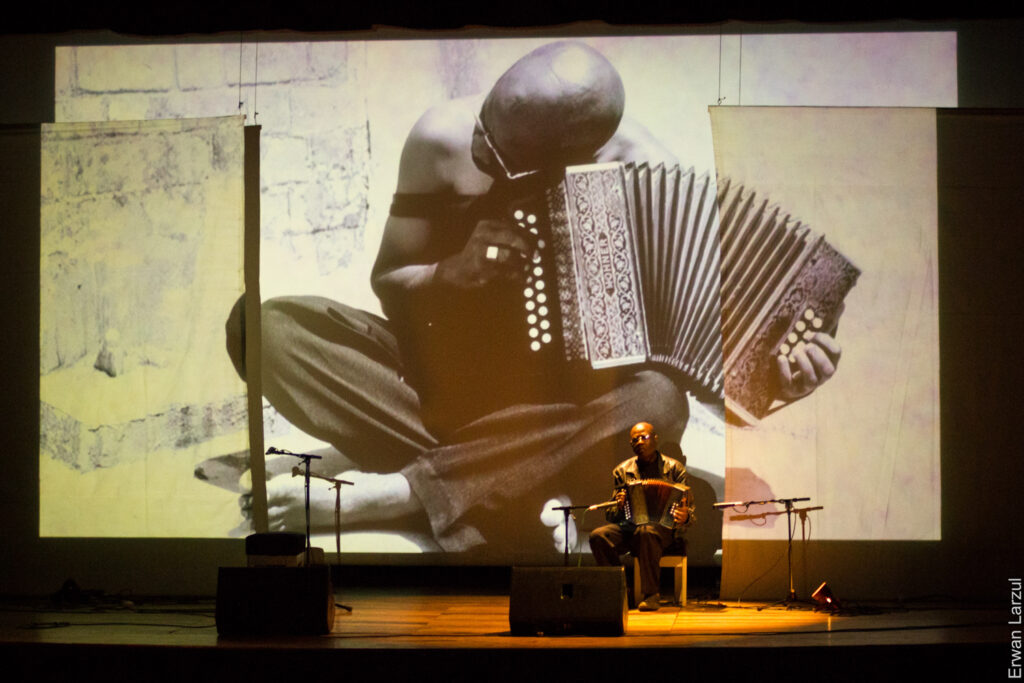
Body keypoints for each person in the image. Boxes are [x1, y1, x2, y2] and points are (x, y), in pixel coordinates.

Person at [230, 40, 841, 553]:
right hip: (448, 387)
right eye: (484, 126)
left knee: (657, 398)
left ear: (577, 152)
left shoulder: (643, 178)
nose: (477, 149)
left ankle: (408, 493)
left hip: (566, 413)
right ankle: (525, 498)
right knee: (266, 329)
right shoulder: (441, 137)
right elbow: (390, 280)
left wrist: (773, 387)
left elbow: (702, 373)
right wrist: (452, 272)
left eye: (501, 155)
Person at [589, 422, 694, 611]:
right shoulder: (622, 471)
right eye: (635, 439)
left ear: (655, 439)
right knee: (598, 536)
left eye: (643, 437)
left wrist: (684, 517)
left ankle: (651, 594)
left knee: (646, 530)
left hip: (663, 531)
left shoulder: (675, 469)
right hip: (629, 528)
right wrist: (619, 507)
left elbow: (690, 513)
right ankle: (619, 591)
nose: (639, 442)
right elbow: (611, 515)